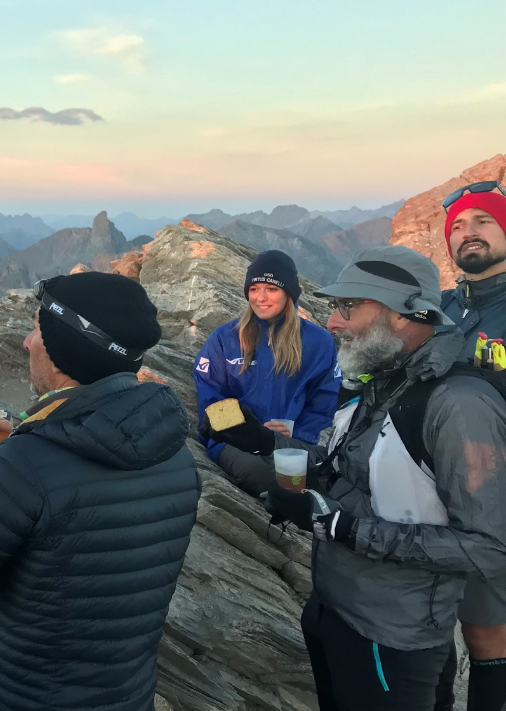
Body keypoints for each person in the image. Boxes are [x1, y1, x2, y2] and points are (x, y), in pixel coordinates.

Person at [202, 246, 506, 711]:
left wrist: (345, 529)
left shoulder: (459, 406)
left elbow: (488, 545)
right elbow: (344, 470)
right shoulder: (385, 378)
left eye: (348, 307)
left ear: (405, 315)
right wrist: (266, 444)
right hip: (335, 610)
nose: (333, 322)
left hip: (391, 637)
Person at [0, 272, 200, 711]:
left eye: (39, 330)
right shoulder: (177, 455)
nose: (27, 342)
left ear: (65, 353)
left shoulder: (29, 461)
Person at [193, 250, 341, 497]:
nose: (260, 297)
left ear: (289, 294)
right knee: (275, 484)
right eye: (254, 289)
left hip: (291, 442)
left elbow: (326, 400)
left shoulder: (318, 342)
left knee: (321, 484)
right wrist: (248, 431)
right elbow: (210, 396)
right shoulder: (224, 338)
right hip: (232, 442)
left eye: (271, 289)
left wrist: (295, 432)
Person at [438, 181, 506, 711]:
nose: (469, 233)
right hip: (441, 488)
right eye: (458, 225)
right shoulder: (441, 309)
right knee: (445, 620)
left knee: (487, 633)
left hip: (497, 496)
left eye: (483, 220)